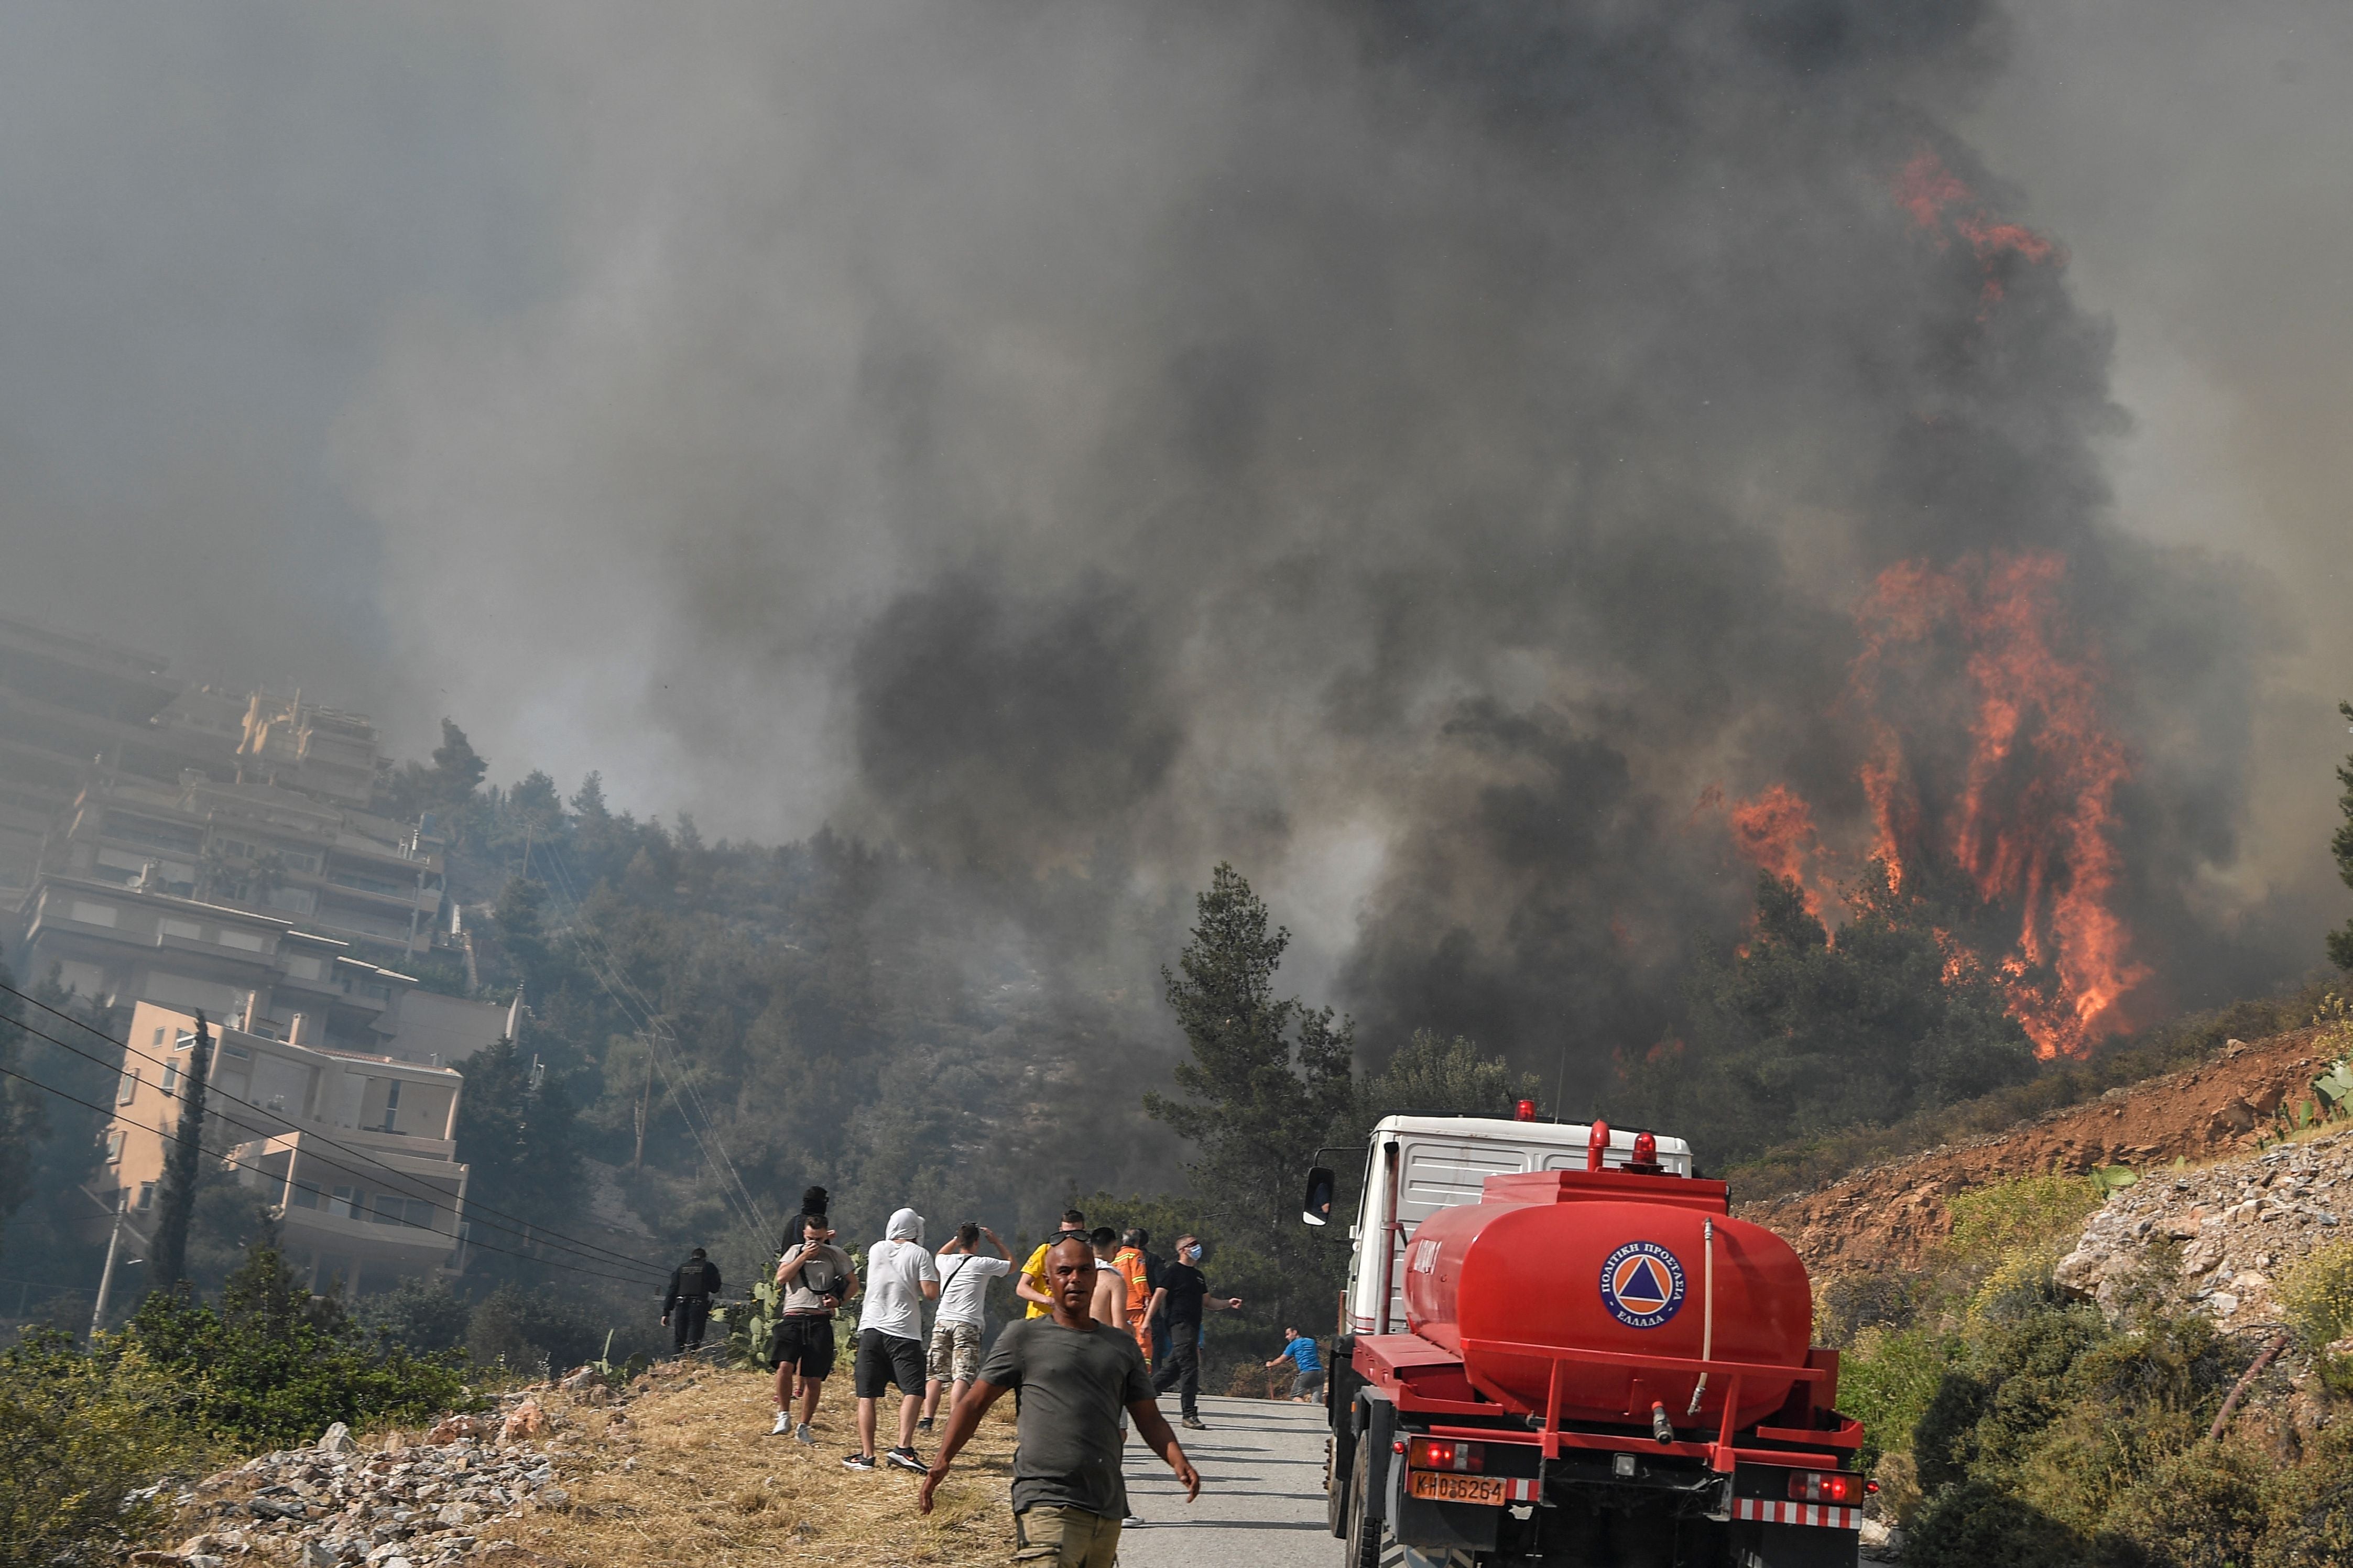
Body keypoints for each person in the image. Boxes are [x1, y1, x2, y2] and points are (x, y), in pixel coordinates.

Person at [920, 1233, 1199, 1567]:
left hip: (1105, 1507)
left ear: (1097, 1277)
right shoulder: (1023, 1337)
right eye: (1064, 1271)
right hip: (1045, 1501)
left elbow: (1149, 1417)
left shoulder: (1121, 1347)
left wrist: (1178, 1461)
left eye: (1084, 1271)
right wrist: (942, 1461)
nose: (1075, 1279)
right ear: (1048, 1281)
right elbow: (974, 1403)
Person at [847, 1207, 941, 1473]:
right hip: (903, 1332)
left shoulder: (877, 1249)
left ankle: (867, 1456)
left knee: (867, 1394)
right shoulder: (920, 1254)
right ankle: (903, 1449)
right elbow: (930, 1293)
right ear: (916, 1232)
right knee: (914, 1389)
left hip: (871, 1330)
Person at [770, 1214, 856, 1442]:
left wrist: (840, 1302)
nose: (813, 1243)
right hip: (793, 1315)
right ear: (804, 1235)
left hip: (820, 1319)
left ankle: (804, 1426)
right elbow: (781, 1278)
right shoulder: (794, 1251)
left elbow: (853, 1283)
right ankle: (784, 1414)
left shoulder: (836, 1255)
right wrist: (802, 1258)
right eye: (810, 1238)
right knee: (785, 1366)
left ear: (826, 1235)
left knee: (813, 1378)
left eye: (818, 1239)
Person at [921, 1222, 1010, 1433]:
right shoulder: (983, 1263)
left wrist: (956, 1239)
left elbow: (939, 1254)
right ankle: (955, 1419)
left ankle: (927, 1419)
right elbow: (1011, 1265)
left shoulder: (946, 1261)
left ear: (960, 1242)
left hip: (942, 1321)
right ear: (977, 1242)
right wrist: (996, 1241)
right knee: (961, 1374)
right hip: (968, 1323)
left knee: (936, 1373)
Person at [1149, 1234, 1241, 1430]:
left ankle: (1137, 1394)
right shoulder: (1172, 1271)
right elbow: (1158, 1296)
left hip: (1193, 1325)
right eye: (1193, 1245)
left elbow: (1208, 1302)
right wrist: (1146, 1321)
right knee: (1190, 1367)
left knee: (1173, 1370)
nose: (1198, 1248)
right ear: (1183, 1250)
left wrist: (1228, 1303)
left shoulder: (1198, 1276)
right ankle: (1189, 1414)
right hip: (1178, 1323)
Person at [1017, 1210, 1089, 1319]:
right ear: (1060, 1231)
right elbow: (1022, 1288)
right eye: (1065, 1234)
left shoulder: (1087, 1255)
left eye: (1076, 1234)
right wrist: (1049, 1301)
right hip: (1040, 1321)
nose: (1070, 1238)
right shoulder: (1046, 1251)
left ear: (1084, 1232)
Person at [660, 1247, 722, 1354]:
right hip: (698, 1306)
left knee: (679, 1340)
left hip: (681, 1305)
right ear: (704, 1258)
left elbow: (672, 1290)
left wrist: (666, 1313)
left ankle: (676, 1363)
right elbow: (715, 1288)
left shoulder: (681, 1268)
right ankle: (690, 1362)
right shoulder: (708, 1267)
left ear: (691, 1257)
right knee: (693, 1340)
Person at [1112, 1228, 1152, 1366]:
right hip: (1135, 1305)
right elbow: (1139, 1279)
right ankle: (1144, 1374)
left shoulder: (1115, 1257)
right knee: (1143, 1341)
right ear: (1138, 1242)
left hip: (1118, 1306)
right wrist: (1146, 1297)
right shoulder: (1136, 1254)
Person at [1264, 1327, 1325, 1403]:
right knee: (1317, 1400)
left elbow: (1281, 1360)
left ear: (1295, 1332)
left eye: (1288, 1334)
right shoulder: (1311, 1341)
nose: (1287, 1337)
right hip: (1320, 1372)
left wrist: (1271, 1364)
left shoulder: (1293, 1344)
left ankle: (1305, 1411)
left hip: (1307, 1372)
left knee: (1295, 1396)